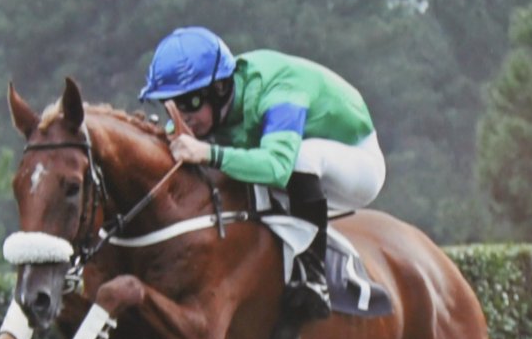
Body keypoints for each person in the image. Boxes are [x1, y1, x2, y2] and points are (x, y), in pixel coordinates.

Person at [137, 27, 386, 320]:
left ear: (219, 89)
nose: (183, 116)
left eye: (189, 103)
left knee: (298, 158)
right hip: (295, 166)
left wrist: (209, 153)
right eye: (172, 106)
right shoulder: (213, 101)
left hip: (357, 163)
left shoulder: (280, 91)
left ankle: (314, 277)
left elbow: (278, 167)